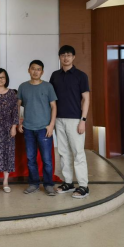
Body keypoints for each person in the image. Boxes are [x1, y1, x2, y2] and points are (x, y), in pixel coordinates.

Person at [50, 45, 91, 199]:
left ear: (73, 57)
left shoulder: (81, 76)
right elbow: (51, 99)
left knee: (78, 153)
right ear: (59, 57)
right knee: (63, 152)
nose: (66, 58)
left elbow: (86, 99)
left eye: (68, 55)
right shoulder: (55, 75)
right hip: (58, 119)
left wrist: (83, 120)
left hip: (75, 120)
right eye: (63, 55)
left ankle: (83, 186)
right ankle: (68, 182)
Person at [17, 60, 58, 196]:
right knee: (31, 159)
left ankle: (48, 185)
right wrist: (19, 122)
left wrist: (51, 125)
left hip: (44, 128)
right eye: (33, 69)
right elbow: (18, 105)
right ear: (29, 70)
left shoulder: (48, 86)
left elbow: (53, 106)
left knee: (47, 160)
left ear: (42, 72)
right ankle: (33, 184)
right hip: (28, 128)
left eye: (38, 69)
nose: (35, 71)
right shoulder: (23, 86)